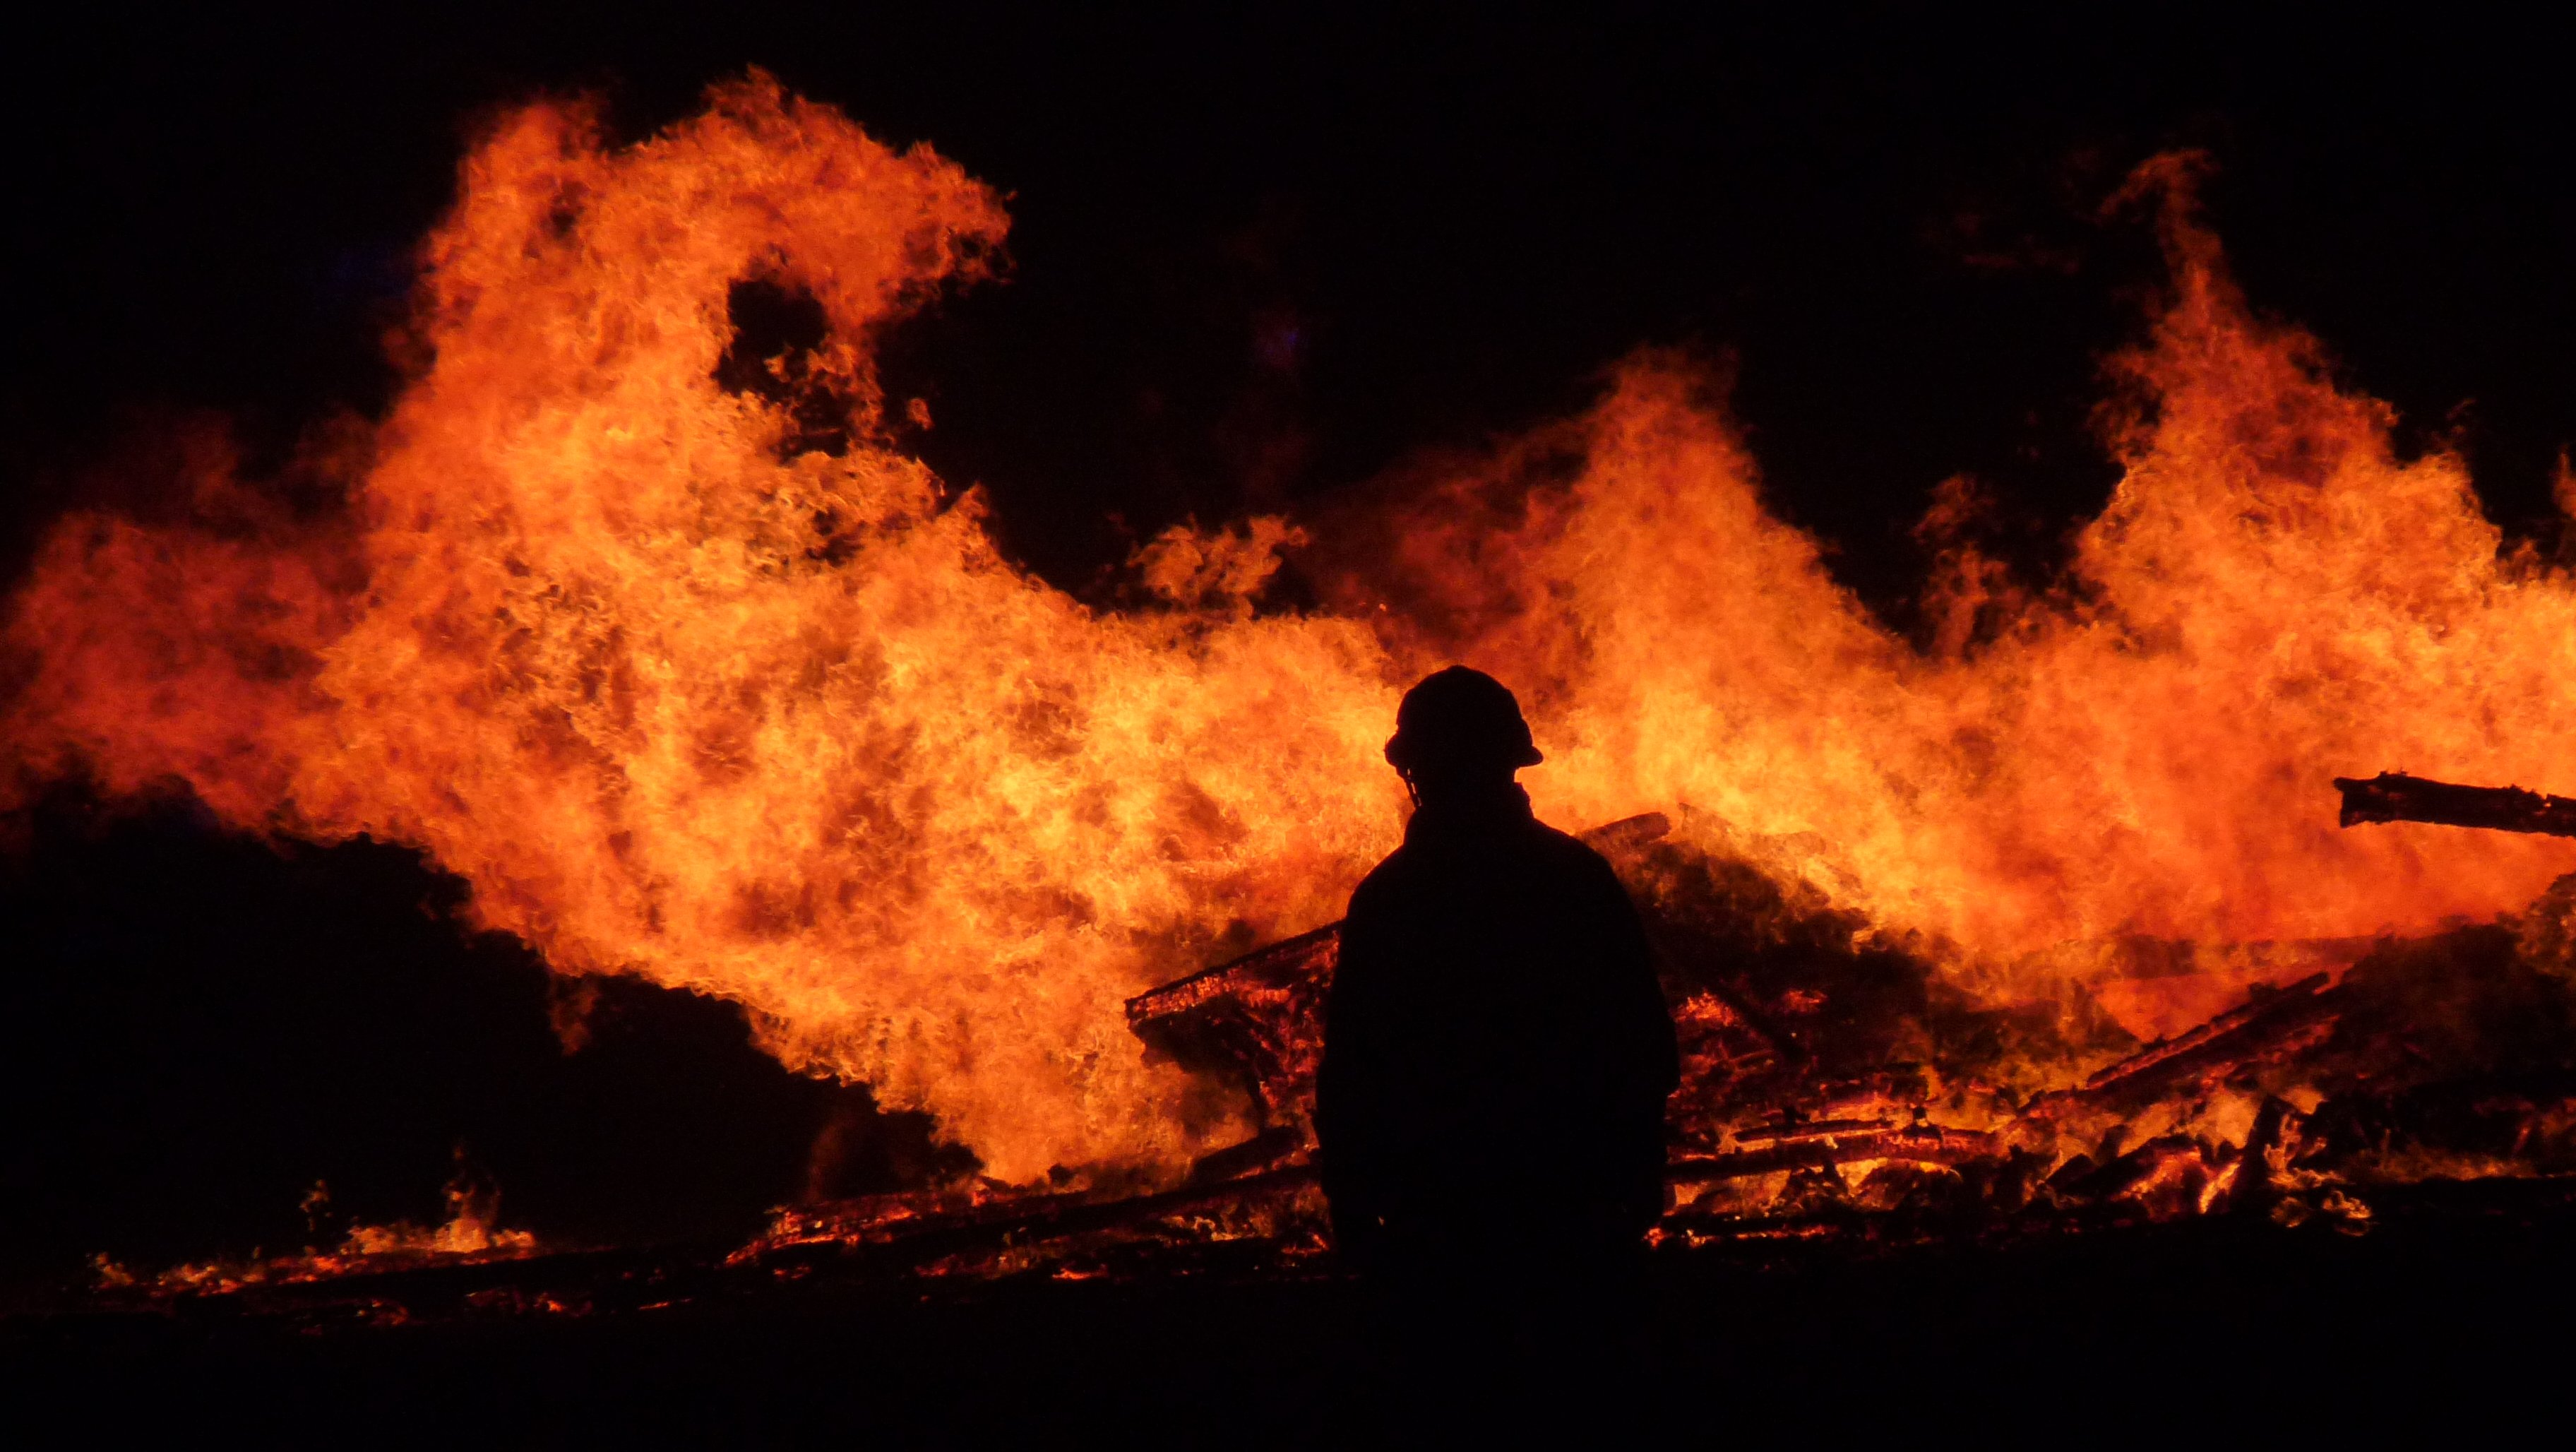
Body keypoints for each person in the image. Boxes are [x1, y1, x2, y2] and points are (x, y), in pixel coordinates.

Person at [1316, 666, 1678, 1288]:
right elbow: (1641, 1043)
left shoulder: (1394, 896)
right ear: (1511, 765)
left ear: (1413, 771)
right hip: (1573, 1217)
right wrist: (1635, 1184)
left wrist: (1353, 1212)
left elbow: (1354, 1069)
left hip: (1435, 1227)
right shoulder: (1574, 878)